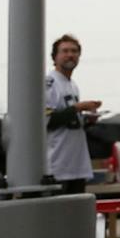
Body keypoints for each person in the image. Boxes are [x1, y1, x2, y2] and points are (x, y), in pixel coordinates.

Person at [42, 34, 100, 195]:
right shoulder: (50, 83)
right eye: (65, 51)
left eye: (74, 51)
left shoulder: (72, 85)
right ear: (55, 56)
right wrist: (77, 108)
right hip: (58, 165)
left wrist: (87, 119)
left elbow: (70, 121)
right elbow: (47, 121)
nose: (70, 55)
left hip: (77, 164)